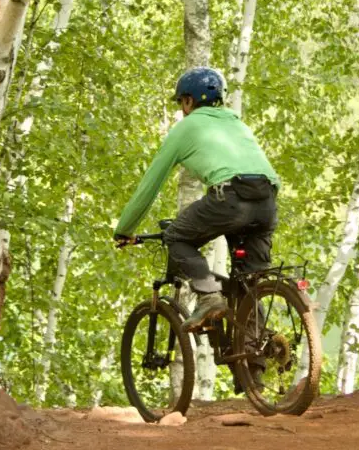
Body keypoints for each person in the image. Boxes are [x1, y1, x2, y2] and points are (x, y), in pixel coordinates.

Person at [113, 67, 280, 378]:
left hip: (231, 198)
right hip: (267, 202)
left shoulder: (186, 128)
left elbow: (150, 185)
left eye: (181, 102)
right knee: (250, 283)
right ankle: (253, 372)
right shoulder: (236, 123)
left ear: (189, 101)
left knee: (177, 236)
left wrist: (124, 228)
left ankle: (208, 296)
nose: (181, 109)